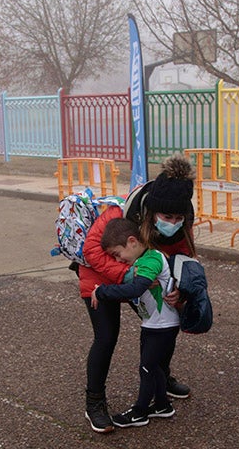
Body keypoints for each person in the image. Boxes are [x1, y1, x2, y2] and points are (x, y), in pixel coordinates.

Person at [79, 154, 196, 433]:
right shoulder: (121, 213)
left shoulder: (181, 224)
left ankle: (161, 378)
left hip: (144, 277)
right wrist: (129, 277)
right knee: (106, 337)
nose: (174, 222)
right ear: (152, 211)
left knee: (164, 325)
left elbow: (182, 258)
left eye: (179, 217)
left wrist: (178, 290)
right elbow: (91, 250)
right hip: (100, 278)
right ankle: (94, 402)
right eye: (168, 217)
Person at [90, 218, 180, 428]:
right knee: (154, 366)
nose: (119, 260)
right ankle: (161, 405)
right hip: (153, 324)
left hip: (163, 325)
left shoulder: (151, 260)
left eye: (117, 254)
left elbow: (134, 290)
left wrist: (101, 291)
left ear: (132, 241)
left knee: (147, 368)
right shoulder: (143, 261)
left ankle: (139, 412)